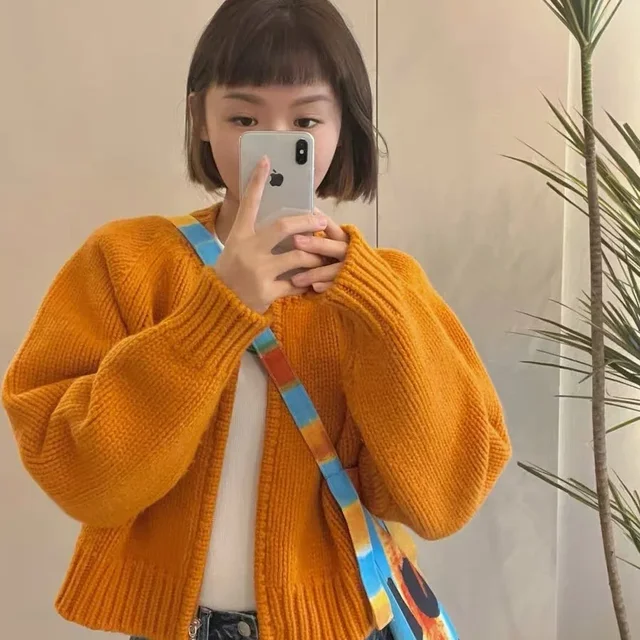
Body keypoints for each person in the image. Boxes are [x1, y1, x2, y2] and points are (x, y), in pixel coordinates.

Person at [2, 0, 512, 639]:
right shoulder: (125, 262)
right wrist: (216, 311)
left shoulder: (388, 291)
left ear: (344, 126)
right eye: (244, 118)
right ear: (200, 117)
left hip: (346, 625)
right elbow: (81, 478)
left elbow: (444, 500)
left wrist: (377, 310)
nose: (271, 149)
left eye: (305, 121)